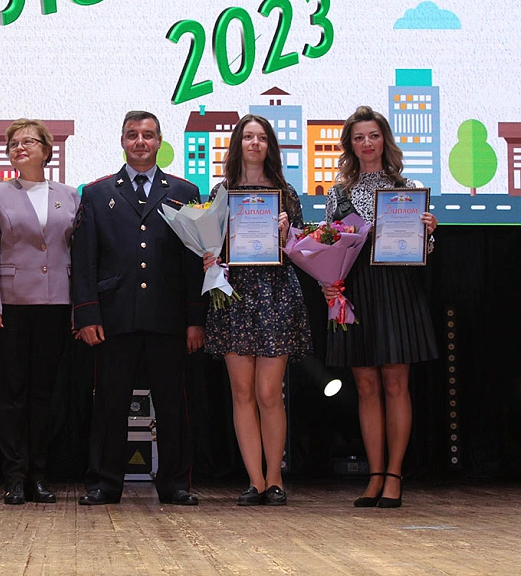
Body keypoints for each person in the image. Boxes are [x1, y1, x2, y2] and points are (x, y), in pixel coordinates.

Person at [71, 110, 205, 506]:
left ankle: (175, 484)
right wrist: (87, 313)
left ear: (160, 141)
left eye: (148, 135)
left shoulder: (184, 191)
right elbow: (85, 259)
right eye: (133, 135)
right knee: (110, 403)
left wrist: (195, 319)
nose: (140, 142)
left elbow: (193, 261)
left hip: (169, 316)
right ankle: (104, 483)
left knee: (172, 403)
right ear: (122, 141)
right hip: (114, 316)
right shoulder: (97, 193)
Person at [322, 105, 439, 508]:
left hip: (397, 290)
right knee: (366, 388)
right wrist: (328, 283)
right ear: (350, 145)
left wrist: (428, 233)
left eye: (373, 136)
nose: (367, 143)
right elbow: (329, 246)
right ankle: (374, 475)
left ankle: (394, 475)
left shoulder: (408, 187)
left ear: (384, 140)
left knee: (395, 385)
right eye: (358, 137)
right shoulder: (337, 193)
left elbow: (425, 251)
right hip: (355, 291)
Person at [202, 114, 312, 506]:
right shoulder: (221, 192)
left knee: (269, 392)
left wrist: (287, 233)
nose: (254, 143)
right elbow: (209, 243)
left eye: (262, 137)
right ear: (238, 144)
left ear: (270, 146)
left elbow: (301, 249)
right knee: (243, 392)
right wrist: (209, 256)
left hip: (275, 295)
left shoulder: (286, 193)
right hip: (234, 296)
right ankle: (255, 480)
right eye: (248, 137)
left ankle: (275, 478)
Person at [0, 119, 79, 505]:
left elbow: (77, 251)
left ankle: (39, 475)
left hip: (56, 305)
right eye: (14, 144)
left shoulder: (69, 195)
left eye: (28, 141)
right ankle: (14, 476)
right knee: (11, 394)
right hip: (10, 306)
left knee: (44, 395)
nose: (20, 148)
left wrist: (79, 308)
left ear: (46, 150)